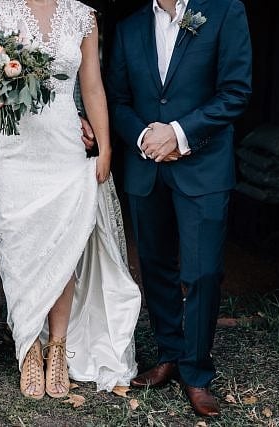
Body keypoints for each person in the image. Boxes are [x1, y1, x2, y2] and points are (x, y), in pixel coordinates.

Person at [0, 0, 142, 399]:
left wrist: (104, 146)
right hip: (13, 148)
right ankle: (29, 345)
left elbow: (92, 85)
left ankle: (58, 345)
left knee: (65, 242)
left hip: (65, 145)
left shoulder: (83, 16)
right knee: (19, 245)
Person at [107, 0, 252, 417]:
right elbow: (117, 98)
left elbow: (236, 91)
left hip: (203, 166)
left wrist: (178, 133)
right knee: (155, 266)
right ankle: (169, 353)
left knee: (203, 271)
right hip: (146, 167)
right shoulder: (130, 26)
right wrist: (145, 138)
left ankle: (196, 371)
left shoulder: (226, 12)